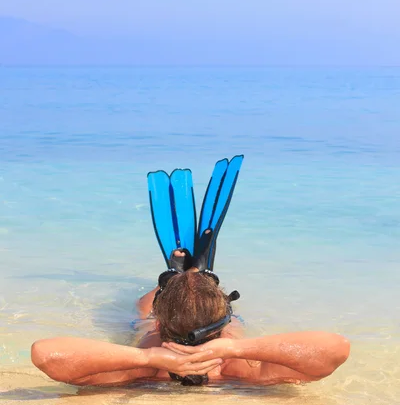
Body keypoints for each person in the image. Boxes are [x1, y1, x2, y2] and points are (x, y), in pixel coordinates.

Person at [31, 157, 350, 387]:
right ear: (224, 326)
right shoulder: (243, 368)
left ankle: (176, 276)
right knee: (196, 294)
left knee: (143, 310)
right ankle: (194, 273)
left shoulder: (139, 369)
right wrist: (235, 348)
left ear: (159, 323)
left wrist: (148, 359)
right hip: (209, 326)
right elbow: (336, 348)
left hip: (161, 323)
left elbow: (46, 353)